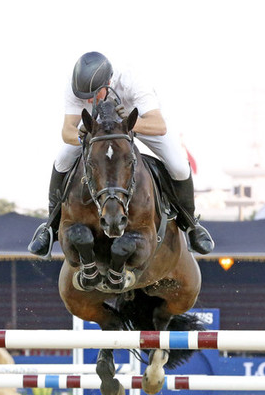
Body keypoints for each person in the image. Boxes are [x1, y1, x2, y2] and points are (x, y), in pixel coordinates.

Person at [28, 51, 214, 258]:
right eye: (85, 97)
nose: (89, 100)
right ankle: (50, 226)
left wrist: (133, 124)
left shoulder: (132, 81)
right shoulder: (76, 88)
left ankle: (191, 225)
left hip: (137, 122)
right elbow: (67, 130)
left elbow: (159, 125)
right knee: (62, 160)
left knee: (179, 166)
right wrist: (83, 138)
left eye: (93, 95)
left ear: (108, 81)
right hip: (96, 130)